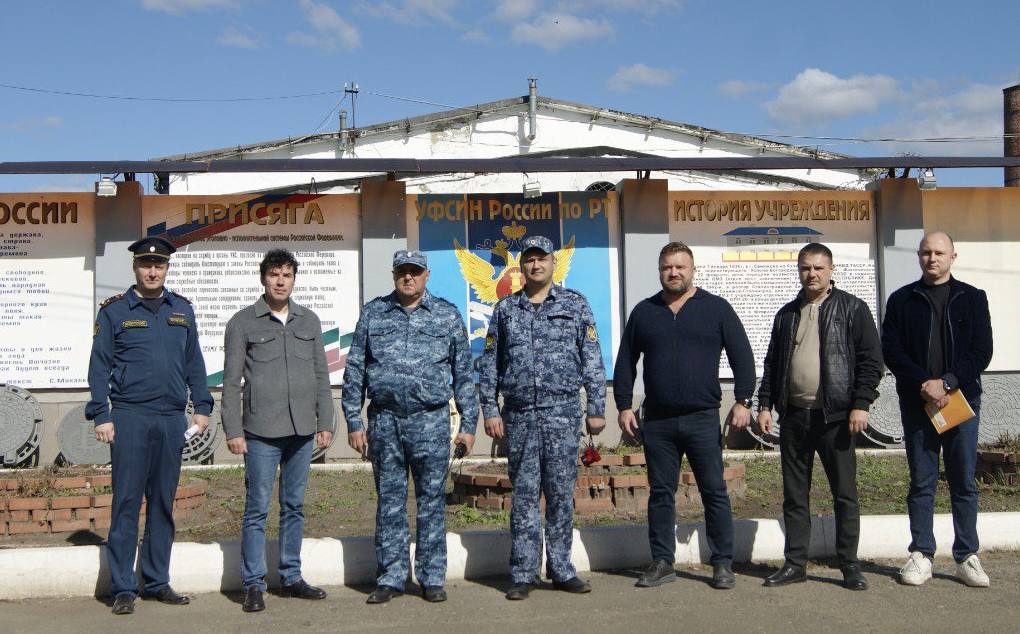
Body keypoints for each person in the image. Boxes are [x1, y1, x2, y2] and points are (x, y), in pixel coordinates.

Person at [613, 241, 754, 590]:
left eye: (680, 267)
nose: (673, 273)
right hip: (658, 422)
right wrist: (623, 405)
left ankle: (722, 563)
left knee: (713, 491)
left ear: (692, 270)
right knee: (661, 493)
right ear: (660, 271)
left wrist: (743, 401)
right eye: (667, 267)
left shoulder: (717, 309)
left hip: (702, 417)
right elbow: (625, 361)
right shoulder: (644, 312)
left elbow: (743, 357)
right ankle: (662, 561)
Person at [342, 250, 479, 604]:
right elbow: (355, 368)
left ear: (426, 275)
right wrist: (355, 421)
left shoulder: (447, 315)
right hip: (385, 421)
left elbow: (464, 373)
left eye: (414, 272)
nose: (408, 278)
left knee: (431, 501)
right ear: (393, 275)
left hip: (431, 421)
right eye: (402, 272)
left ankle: (432, 577)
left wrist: (468, 424)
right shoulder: (374, 313)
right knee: (389, 502)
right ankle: (391, 577)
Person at [86, 236, 214, 615]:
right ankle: (124, 587)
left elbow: (195, 363)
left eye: (159, 265)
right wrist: (102, 414)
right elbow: (98, 366)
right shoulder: (114, 311)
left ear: (167, 268)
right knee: (126, 501)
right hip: (129, 417)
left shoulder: (182, 310)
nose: (153, 270)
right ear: (135, 268)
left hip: (170, 419)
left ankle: (157, 580)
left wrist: (202, 407)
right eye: (146, 264)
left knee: (162, 502)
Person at [478, 235, 606, 601]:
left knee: (561, 494)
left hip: (563, 413)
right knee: (524, 495)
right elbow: (490, 364)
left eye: (542, 259)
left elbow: (592, 359)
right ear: (522, 266)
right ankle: (523, 571)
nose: (536, 265)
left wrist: (596, 407)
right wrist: (490, 409)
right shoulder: (505, 310)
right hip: (519, 417)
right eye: (529, 260)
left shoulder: (575, 304)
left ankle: (562, 568)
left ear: (553, 263)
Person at [756, 243, 882, 591]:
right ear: (799, 271)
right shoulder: (786, 314)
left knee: (844, 493)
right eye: (805, 268)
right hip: (795, 417)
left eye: (818, 268)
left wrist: (861, 403)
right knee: (795, 495)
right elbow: (772, 364)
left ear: (831, 270)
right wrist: (764, 404)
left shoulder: (852, 309)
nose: (811, 274)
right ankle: (795, 563)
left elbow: (872, 362)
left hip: (837, 418)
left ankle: (850, 565)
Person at [221, 249, 335, 612]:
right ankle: (253, 583)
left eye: (287, 274)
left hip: (302, 430)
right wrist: (233, 430)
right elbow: (230, 382)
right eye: (274, 274)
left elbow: (322, 375)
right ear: (263, 278)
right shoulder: (243, 322)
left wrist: (326, 422)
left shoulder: (309, 321)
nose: (281, 281)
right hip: (260, 431)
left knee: (294, 505)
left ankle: (291, 576)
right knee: (256, 508)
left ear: (294, 279)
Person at [882, 231, 994, 587]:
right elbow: (892, 351)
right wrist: (925, 385)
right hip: (918, 404)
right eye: (926, 252)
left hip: (960, 400)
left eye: (939, 253)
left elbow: (982, 351)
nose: (933, 258)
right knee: (922, 481)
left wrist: (946, 382)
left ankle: (966, 556)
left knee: (963, 480)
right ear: (919, 256)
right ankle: (921, 555)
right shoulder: (902, 300)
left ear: (953, 257)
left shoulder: (972, 299)